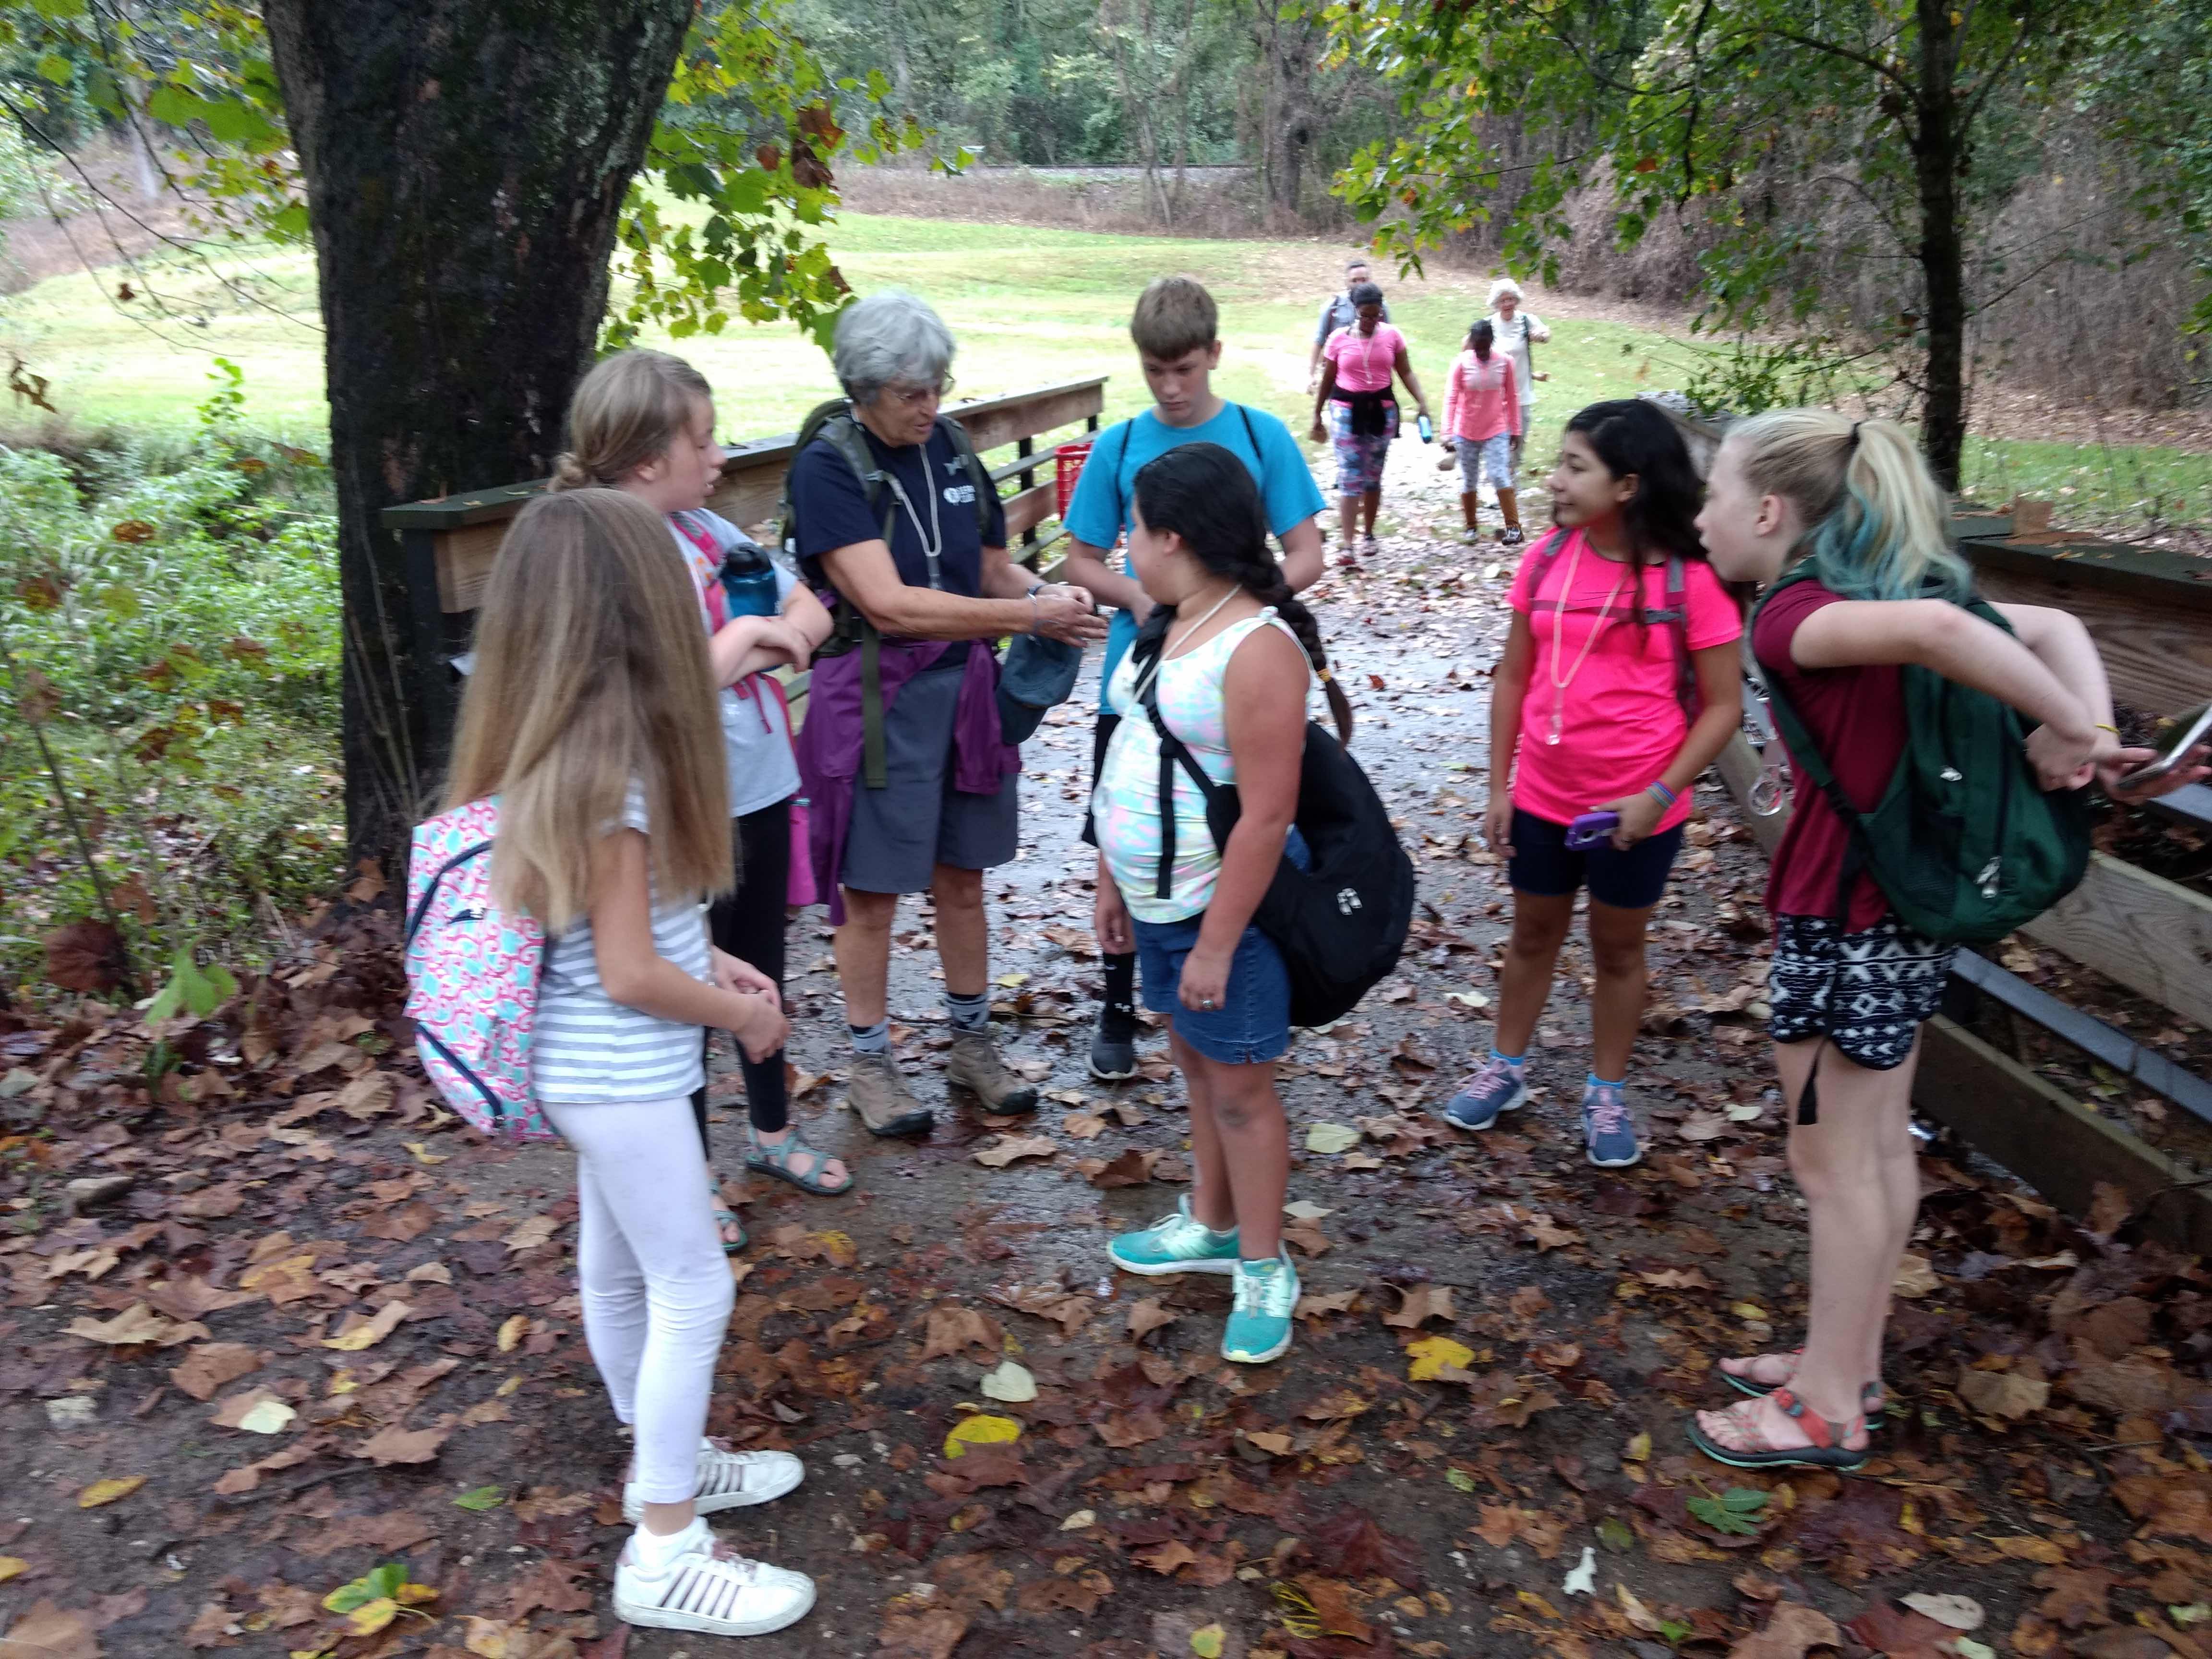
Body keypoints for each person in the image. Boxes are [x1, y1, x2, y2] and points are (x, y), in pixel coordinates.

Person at [1685, 410, 2206, 1470]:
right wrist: (2087, 728)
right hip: (1904, 916)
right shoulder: (1885, 595)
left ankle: (1829, 1406)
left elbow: (1948, 638)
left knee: (1830, 1160)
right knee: (1873, 1149)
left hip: (1846, 913)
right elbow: (2052, 630)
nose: (1701, 520)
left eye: (1714, 497)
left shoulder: (1793, 615)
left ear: (1772, 511)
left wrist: (2076, 734)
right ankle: (1850, 1360)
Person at [444, 489, 813, 1637]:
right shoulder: (618, 766)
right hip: (622, 1066)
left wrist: (716, 956)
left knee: (618, 1271)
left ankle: (672, 1458)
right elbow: (629, 974)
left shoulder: (558, 736)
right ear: (636, 612)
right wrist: (741, 1019)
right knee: (696, 1283)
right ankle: (664, 1545)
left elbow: (633, 927)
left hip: (583, 1066)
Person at [787, 291, 1107, 1137]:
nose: (930, 406)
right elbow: (889, 605)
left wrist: (1050, 597)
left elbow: (992, 569)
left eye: (937, 386)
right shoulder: (828, 466)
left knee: (962, 876)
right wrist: (1026, 619)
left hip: (963, 694)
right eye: (910, 393)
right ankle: (869, 1065)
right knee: (873, 894)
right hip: (875, 700)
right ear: (862, 389)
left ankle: (972, 1047)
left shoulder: (952, 447)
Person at [553, 350, 845, 1249]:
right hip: (665, 807)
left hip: (753, 782)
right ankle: (689, 1173)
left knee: (757, 965)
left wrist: (738, 647)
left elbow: (818, 618)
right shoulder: (601, 549)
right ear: (646, 458)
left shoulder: (710, 532)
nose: (718, 455)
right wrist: (756, 632)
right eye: (703, 438)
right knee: (680, 980)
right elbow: (665, 695)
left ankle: (770, 1133)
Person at [1092, 443, 1356, 1365]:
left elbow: (1267, 810)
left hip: (1221, 914)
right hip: (1161, 903)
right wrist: (1112, 883)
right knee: (1197, 1068)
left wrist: (1216, 942)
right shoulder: (1170, 623)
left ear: (1174, 537)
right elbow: (1130, 755)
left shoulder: (1256, 647)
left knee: (1240, 1089)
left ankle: (1261, 1261)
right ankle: (1207, 1224)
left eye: (1133, 528)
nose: (1122, 544)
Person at [1443, 399, 1744, 1167]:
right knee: (1533, 935)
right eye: (1560, 463)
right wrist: (1499, 787)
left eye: (1577, 467)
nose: (1557, 480)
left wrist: (1659, 795)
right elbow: (1514, 675)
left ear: (1629, 486)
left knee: (1618, 949)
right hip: (1544, 797)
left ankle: (1605, 1090)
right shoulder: (1546, 557)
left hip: (1638, 809)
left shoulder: (1690, 581)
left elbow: (1723, 708)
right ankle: (1505, 1069)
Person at [1063, 276, 1327, 1083]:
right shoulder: (1117, 447)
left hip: (1228, 687)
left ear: (1214, 354)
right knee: (1129, 826)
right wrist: (1145, 598)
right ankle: (1123, 996)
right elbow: (1080, 557)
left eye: (1184, 369)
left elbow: (1306, 552)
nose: (1171, 389)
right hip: (1136, 681)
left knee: (1238, 822)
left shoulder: (1258, 436)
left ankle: (1244, 980)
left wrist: (1225, 612)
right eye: (1154, 372)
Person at [1311, 281, 1431, 562]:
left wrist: (1422, 402)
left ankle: (1369, 534)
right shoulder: (1339, 339)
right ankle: (1347, 544)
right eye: (1365, 315)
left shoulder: (1392, 336)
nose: (1370, 320)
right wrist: (1317, 413)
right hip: (1345, 411)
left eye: (1375, 315)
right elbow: (1328, 378)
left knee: (1373, 477)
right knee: (1350, 476)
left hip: (1382, 410)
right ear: (1355, 311)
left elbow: (1406, 372)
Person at [1439, 319, 1524, 545]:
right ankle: (1471, 527)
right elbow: (1451, 398)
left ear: (1492, 341)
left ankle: (1514, 528)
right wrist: (1447, 433)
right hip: (1465, 430)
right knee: (1469, 479)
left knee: (1499, 474)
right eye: (1478, 346)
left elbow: (1513, 397)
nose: (1482, 351)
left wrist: (1515, 429)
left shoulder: (1505, 362)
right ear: (1472, 343)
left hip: (1496, 428)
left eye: (1486, 345)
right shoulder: (1461, 363)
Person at [1486, 278, 1551, 474]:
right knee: (1497, 434)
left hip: (1521, 389)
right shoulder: (1489, 325)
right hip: (1495, 391)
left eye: (1511, 299)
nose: (1508, 304)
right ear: (1496, 303)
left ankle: (1511, 473)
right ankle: (1497, 473)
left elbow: (1546, 334)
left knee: (1519, 433)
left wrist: (1541, 335)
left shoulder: (1526, 320)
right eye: (1503, 300)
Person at [1306, 256, 1390, 394]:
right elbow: (1319, 340)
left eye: (1364, 280)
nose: (1360, 284)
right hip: (1338, 372)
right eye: (1355, 280)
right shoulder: (1333, 306)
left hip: (1372, 374)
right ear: (1347, 282)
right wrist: (1311, 375)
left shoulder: (1381, 307)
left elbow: (1389, 340)